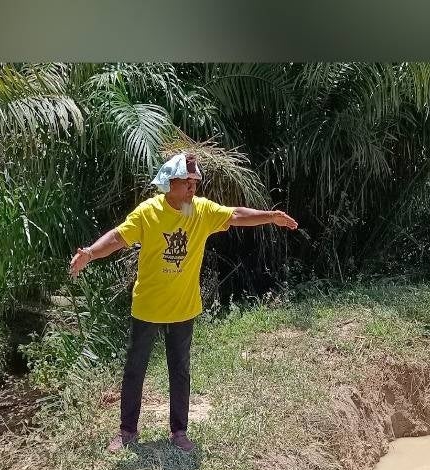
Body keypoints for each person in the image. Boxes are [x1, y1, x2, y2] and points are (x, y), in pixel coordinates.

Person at [69, 152, 298, 453]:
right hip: (148, 306)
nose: (192, 188)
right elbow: (117, 237)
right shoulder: (148, 212)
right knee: (135, 368)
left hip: (183, 307)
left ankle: (179, 431)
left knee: (179, 370)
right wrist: (90, 252)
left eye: (195, 182)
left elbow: (235, 215)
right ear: (169, 183)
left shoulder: (200, 211)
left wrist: (270, 216)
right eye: (186, 182)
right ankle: (127, 431)